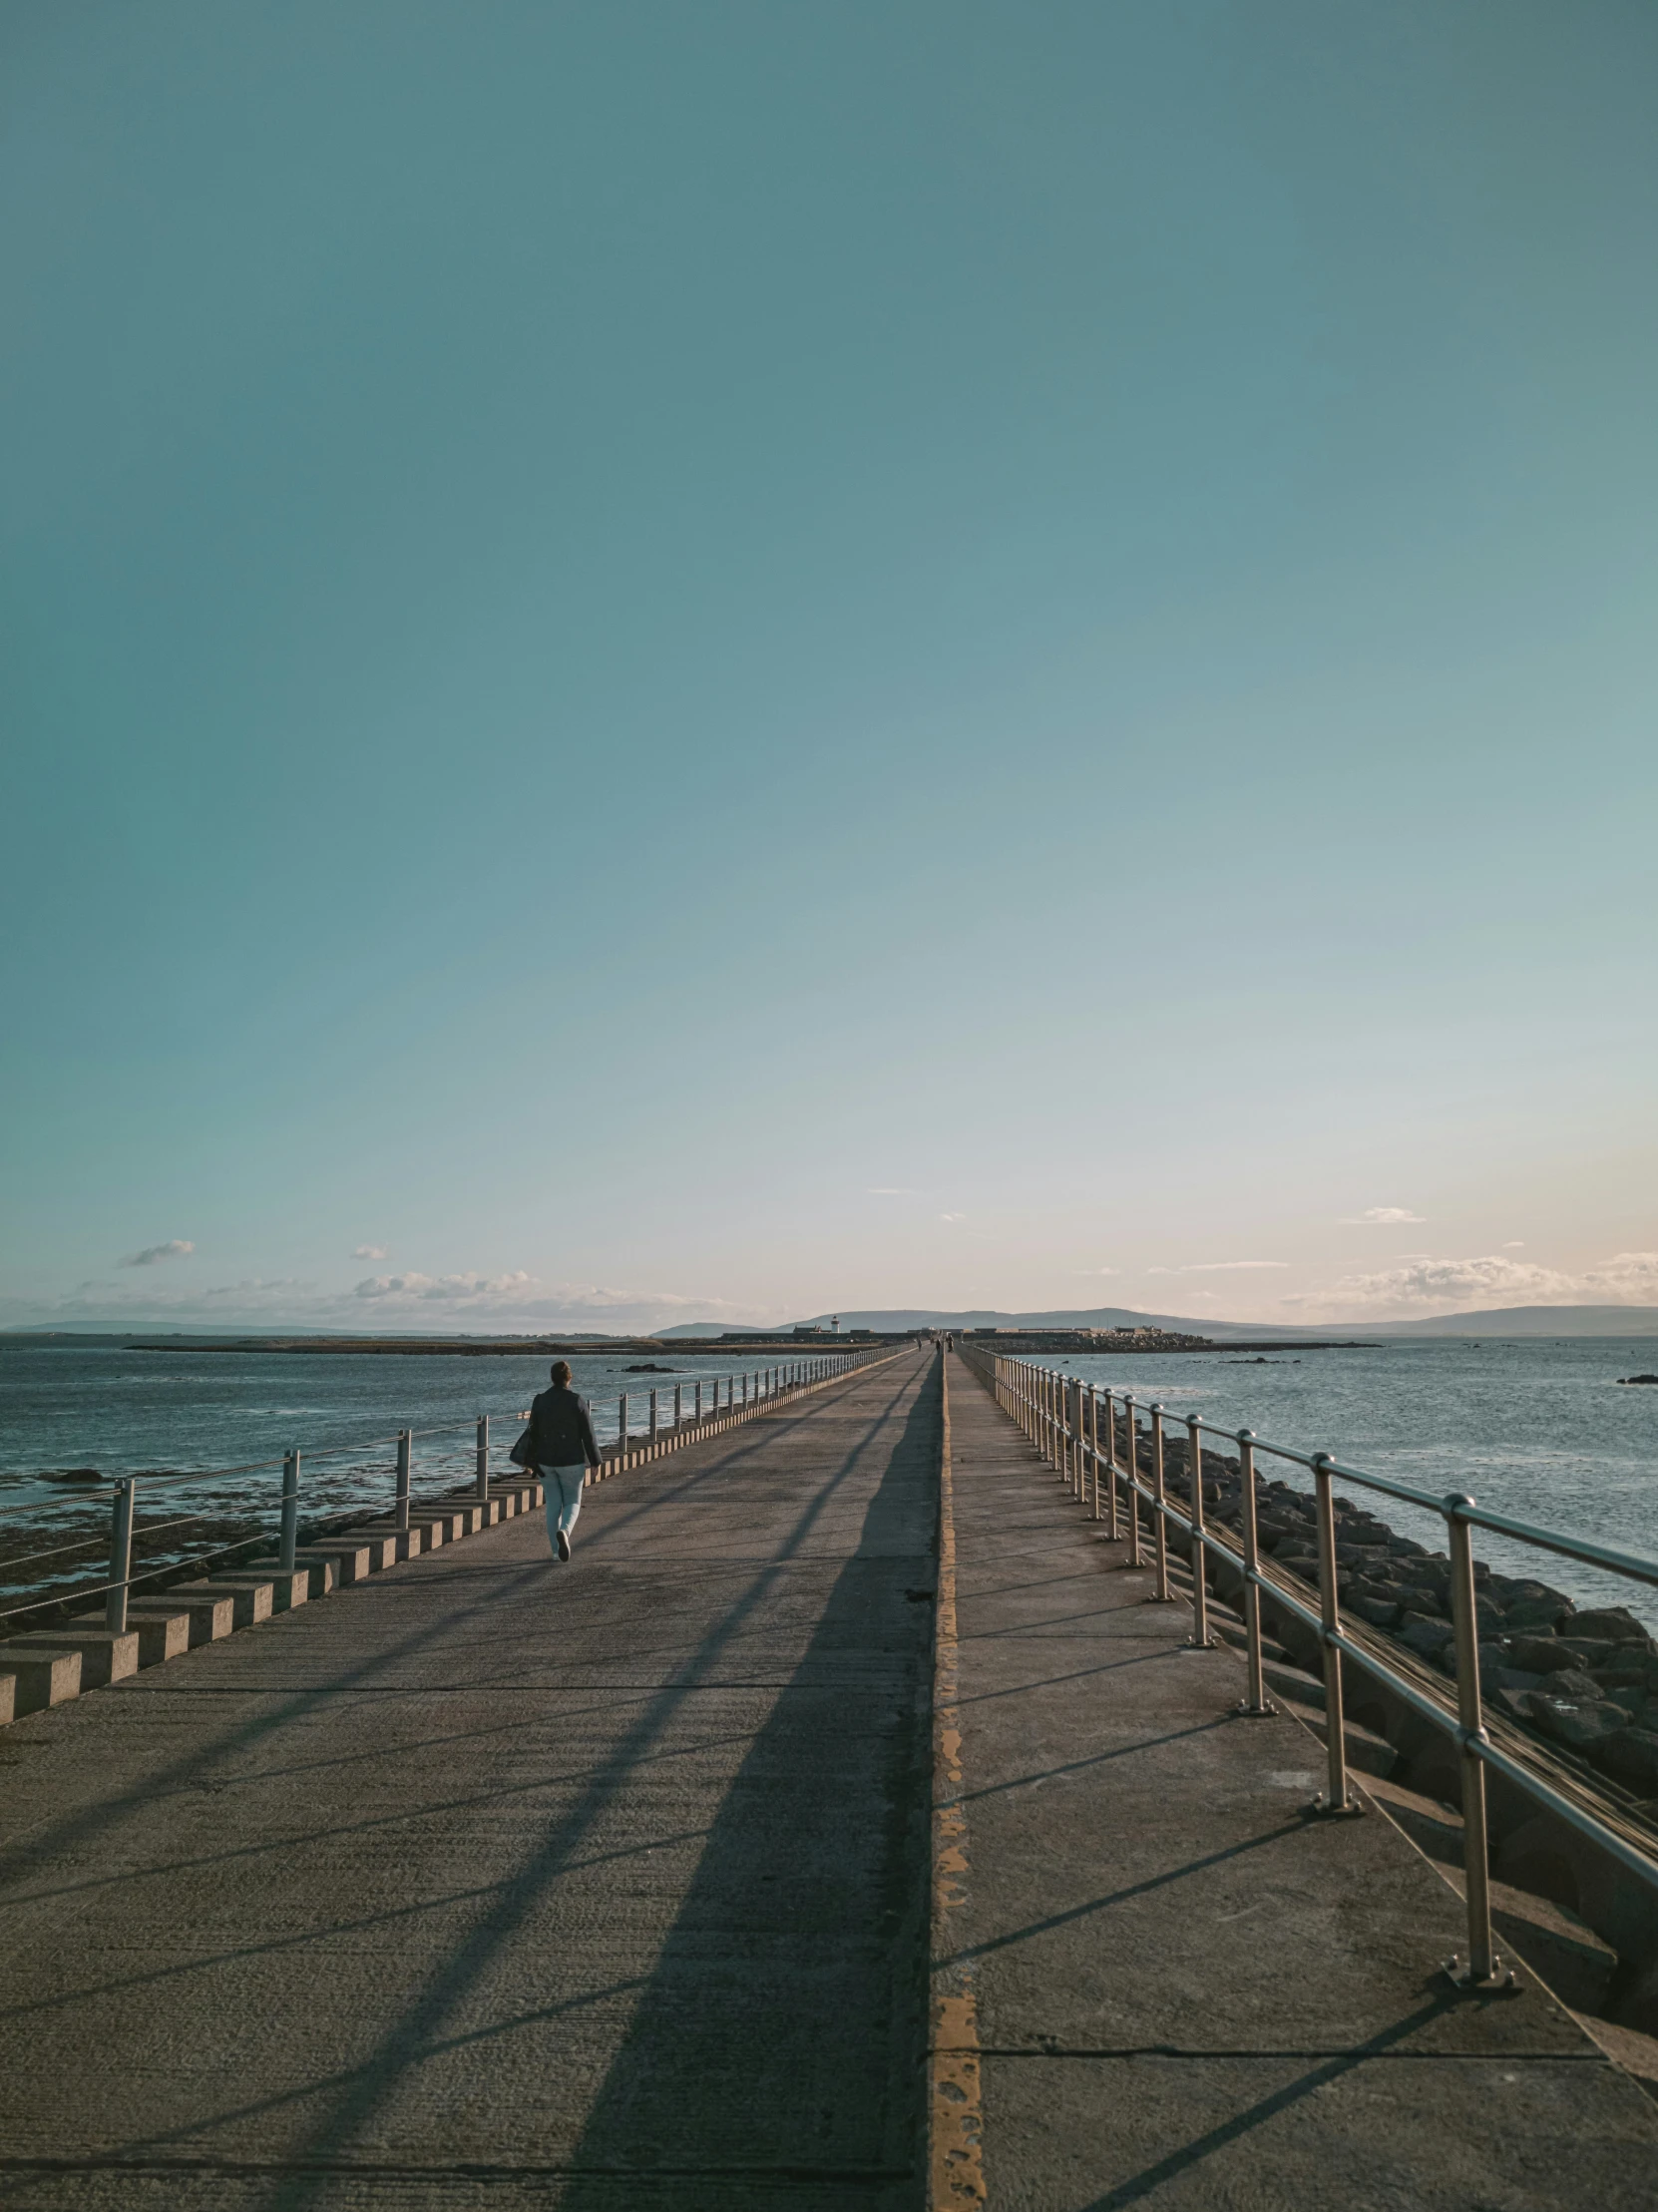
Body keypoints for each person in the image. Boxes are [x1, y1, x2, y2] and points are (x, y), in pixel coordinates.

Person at [524, 1359, 601, 1561]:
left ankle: (556, 1552)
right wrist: (595, 1460)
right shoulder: (576, 1400)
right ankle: (565, 1532)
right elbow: (588, 1434)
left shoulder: (539, 1400)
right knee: (573, 1501)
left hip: (545, 1462)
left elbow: (532, 1432)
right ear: (569, 1378)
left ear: (552, 1378)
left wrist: (531, 1461)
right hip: (572, 1460)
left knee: (553, 1505)